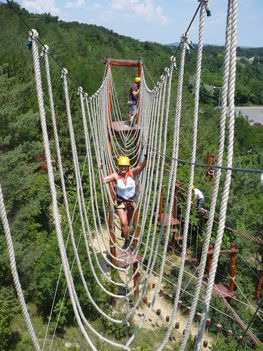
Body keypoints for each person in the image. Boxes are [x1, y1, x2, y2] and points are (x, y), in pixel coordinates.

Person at [103, 155, 147, 249]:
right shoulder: (116, 176)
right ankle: (127, 241)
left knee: (128, 222)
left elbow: (141, 167)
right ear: (118, 166)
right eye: (121, 166)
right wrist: (100, 169)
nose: (123, 168)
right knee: (124, 223)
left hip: (131, 202)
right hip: (120, 202)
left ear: (128, 167)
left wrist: (146, 158)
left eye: (125, 166)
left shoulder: (132, 174)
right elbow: (103, 180)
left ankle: (126, 234)